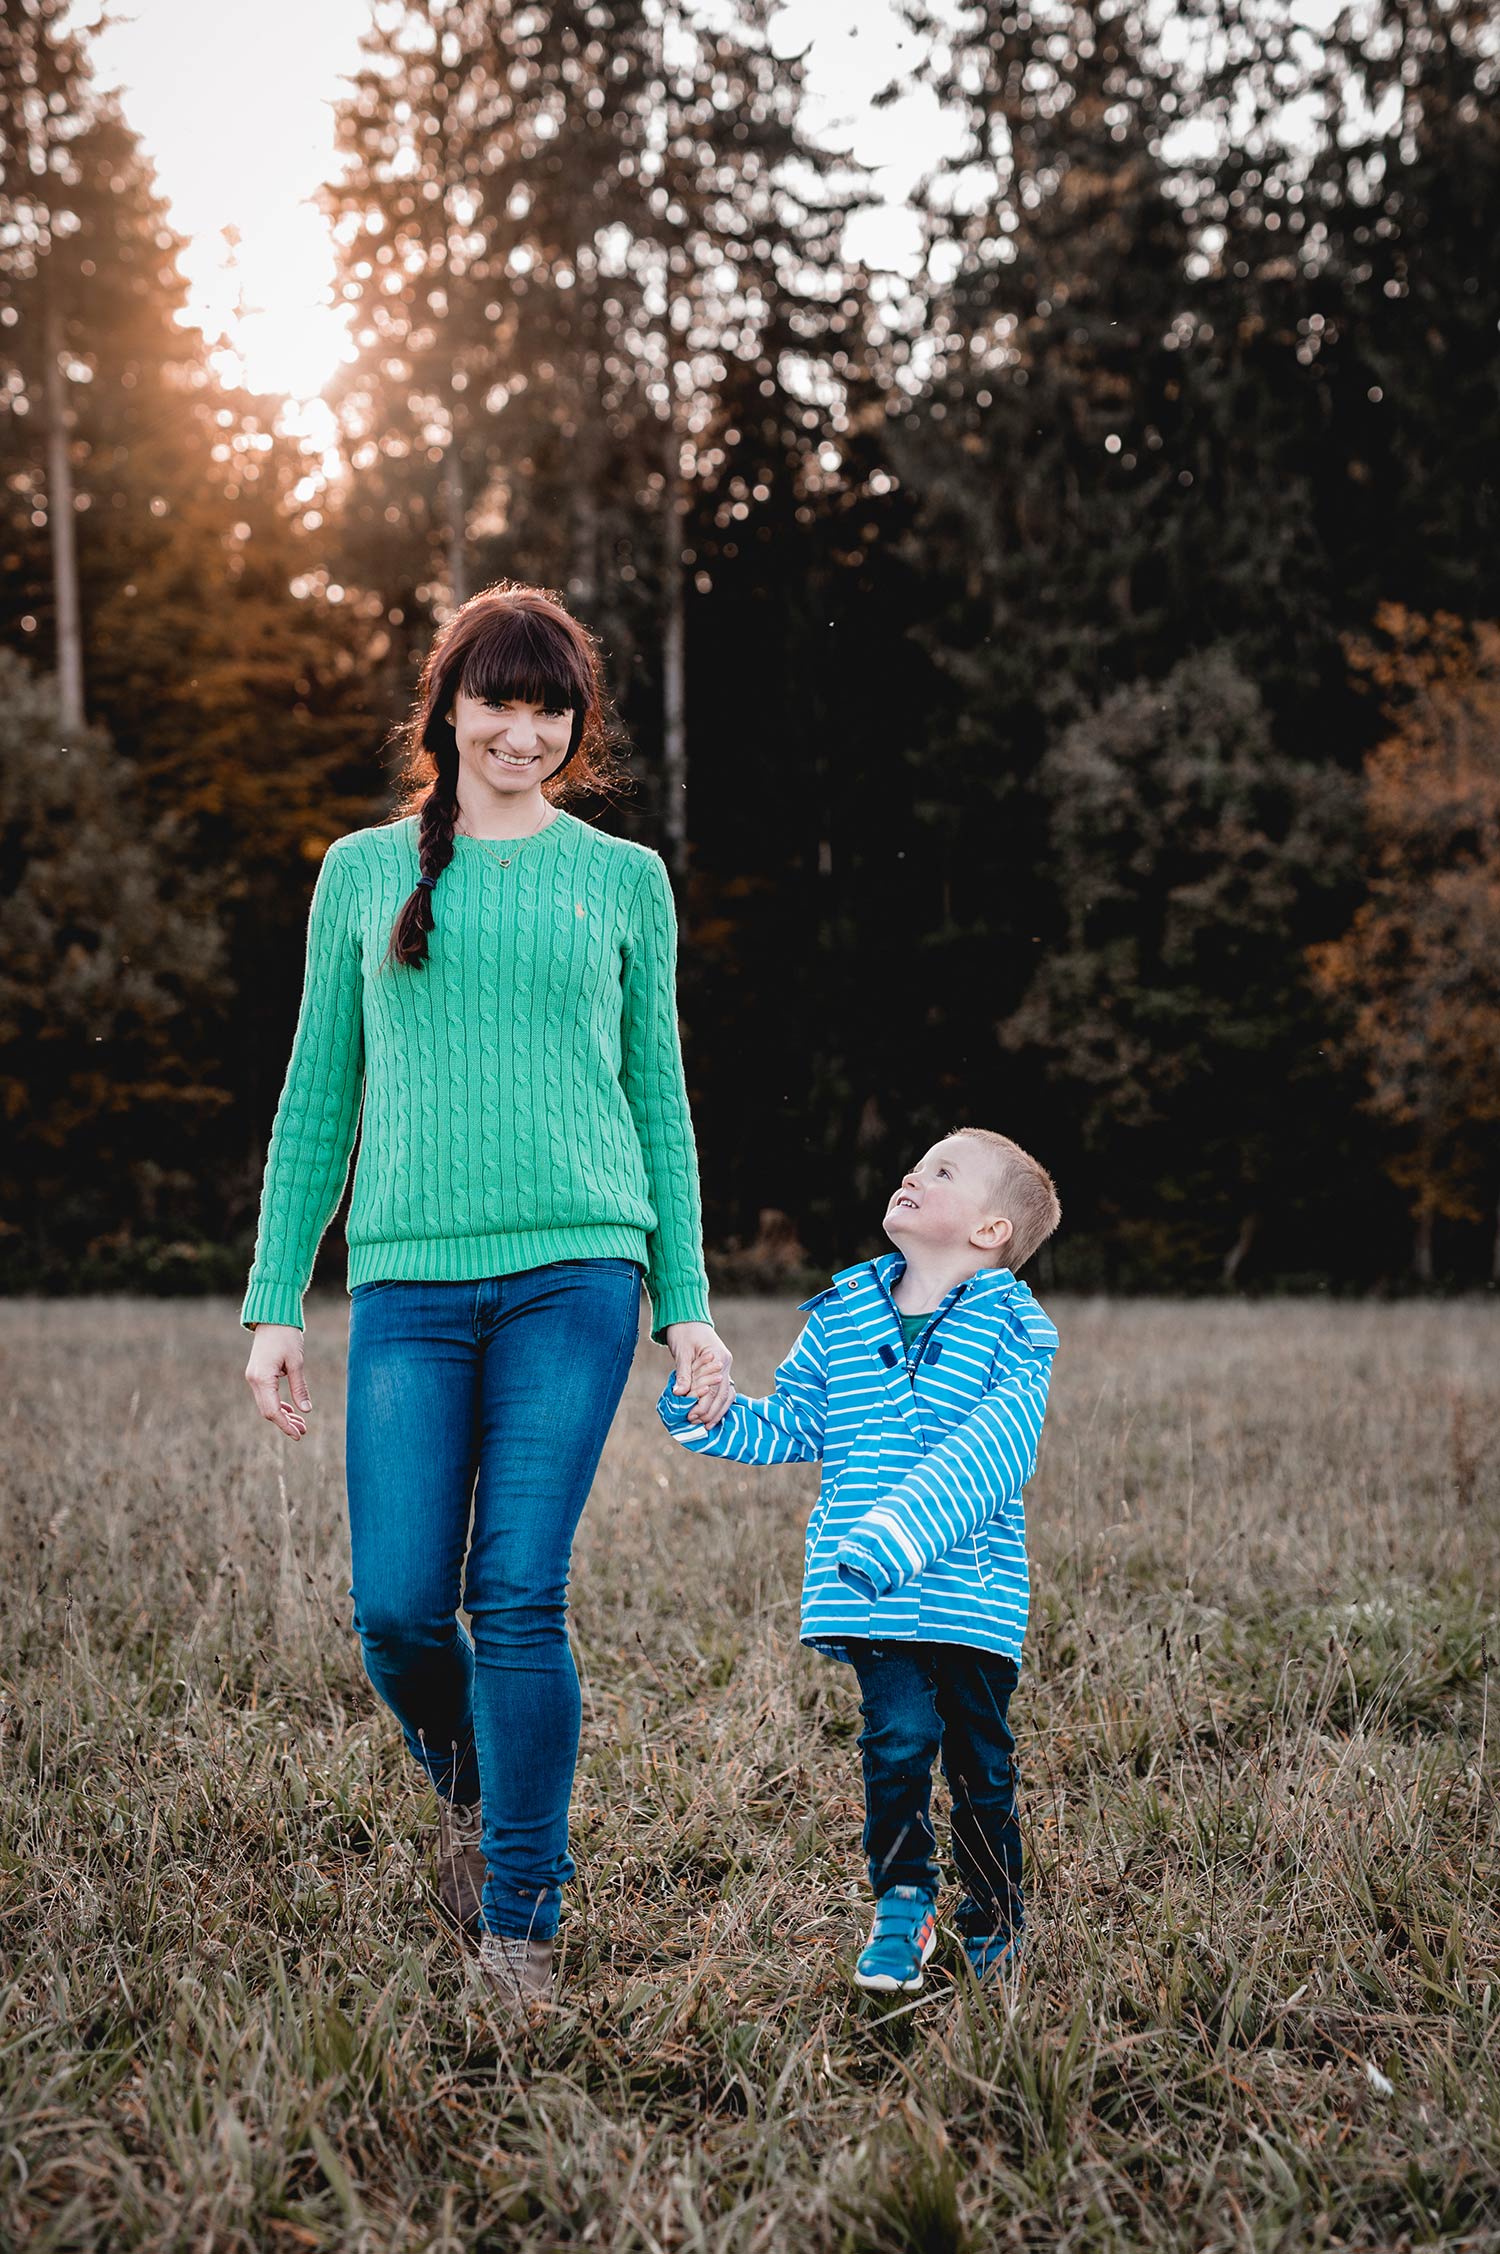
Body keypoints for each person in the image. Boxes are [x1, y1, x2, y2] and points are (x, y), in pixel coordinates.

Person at [242, 583, 733, 2011]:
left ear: (575, 726)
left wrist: (683, 1299)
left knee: (515, 1589)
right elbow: (316, 1093)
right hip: (407, 1278)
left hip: (578, 1269)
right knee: (397, 1609)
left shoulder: (625, 877)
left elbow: (661, 1098)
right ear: (447, 709)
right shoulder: (363, 869)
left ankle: (521, 1916)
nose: (522, 731)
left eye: (549, 708)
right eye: (496, 702)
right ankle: (473, 1775)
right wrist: (280, 1295)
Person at [658, 1128, 1059, 1994]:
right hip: (872, 1599)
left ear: (991, 1231)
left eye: (943, 1172)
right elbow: (797, 1423)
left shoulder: (1017, 1328)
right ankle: (903, 1904)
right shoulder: (844, 1313)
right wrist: (710, 1412)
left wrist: (898, 1534)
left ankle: (993, 1917)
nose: (914, 1174)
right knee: (897, 1742)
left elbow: (1001, 1446)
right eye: (917, 1163)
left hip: (971, 1594)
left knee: (982, 1764)